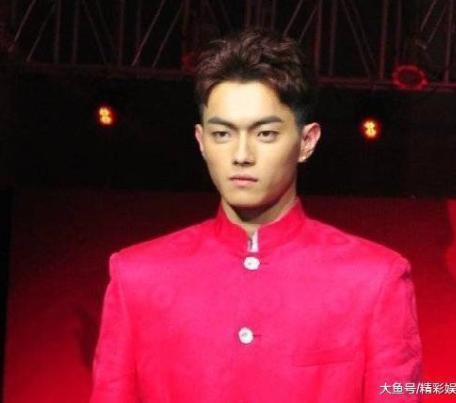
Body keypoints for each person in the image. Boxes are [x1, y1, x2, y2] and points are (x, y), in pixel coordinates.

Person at [90, 28, 422, 402]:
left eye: (264, 134)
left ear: (307, 141)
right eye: (222, 134)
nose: (241, 155)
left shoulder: (374, 279)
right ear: (201, 141)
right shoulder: (138, 277)